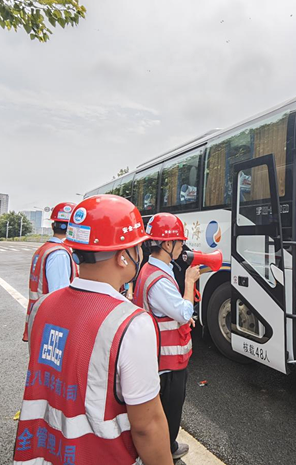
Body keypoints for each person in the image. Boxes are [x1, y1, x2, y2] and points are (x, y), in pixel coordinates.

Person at [14, 195, 172, 465]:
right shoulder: (131, 323)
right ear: (124, 257)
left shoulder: (42, 307)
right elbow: (147, 426)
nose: (140, 254)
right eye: (137, 247)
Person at [133, 213, 201, 461]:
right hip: (168, 361)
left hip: (161, 356)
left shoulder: (153, 269)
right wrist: (190, 282)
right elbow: (183, 311)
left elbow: (168, 311)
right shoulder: (159, 278)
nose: (183, 247)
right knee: (170, 409)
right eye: (180, 242)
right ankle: (166, 452)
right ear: (167, 244)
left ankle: (166, 446)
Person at [23, 202, 78, 342]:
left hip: (40, 315)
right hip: (52, 322)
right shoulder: (59, 253)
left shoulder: (45, 249)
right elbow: (60, 295)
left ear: (52, 226)